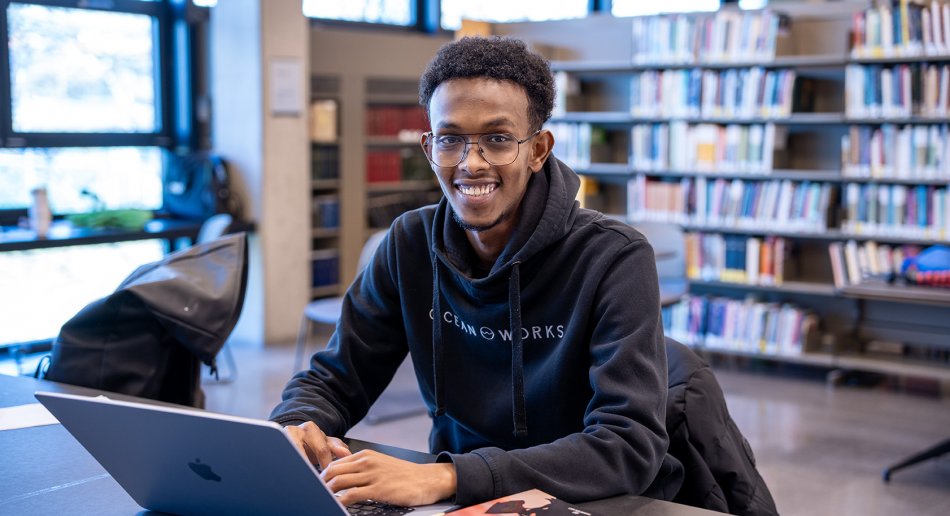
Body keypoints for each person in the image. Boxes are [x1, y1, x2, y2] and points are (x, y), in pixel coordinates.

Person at [270, 36, 679, 508]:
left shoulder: (614, 257)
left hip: (589, 500)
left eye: (497, 139)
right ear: (429, 146)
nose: (471, 163)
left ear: (539, 149)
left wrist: (447, 477)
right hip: (458, 501)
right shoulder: (409, 243)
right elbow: (336, 378)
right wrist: (297, 424)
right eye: (451, 140)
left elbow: (629, 446)